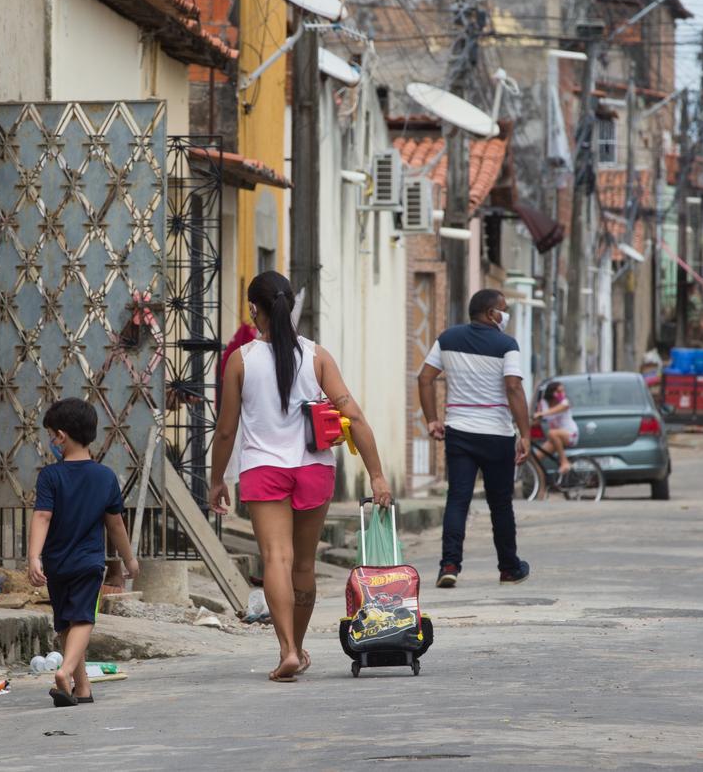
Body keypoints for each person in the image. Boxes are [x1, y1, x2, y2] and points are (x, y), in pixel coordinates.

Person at [208, 271, 392, 683]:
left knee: (276, 558)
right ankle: (298, 645)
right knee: (304, 564)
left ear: (254, 308)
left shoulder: (240, 359)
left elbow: (225, 430)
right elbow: (354, 415)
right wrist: (376, 475)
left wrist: (217, 478)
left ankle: (288, 648)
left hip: (263, 469)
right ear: (290, 305)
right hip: (314, 469)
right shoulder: (317, 355)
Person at [27, 398, 140, 708]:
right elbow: (115, 524)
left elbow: (42, 517)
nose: (51, 441)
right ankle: (65, 672)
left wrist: (34, 556)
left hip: (56, 563)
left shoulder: (50, 476)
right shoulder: (105, 477)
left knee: (65, 623)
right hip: (88, 562)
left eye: (51, 434)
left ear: (61, 436)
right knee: (83, 620)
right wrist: (129, 559)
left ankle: (82, 688)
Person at [418, 288, 532, 589]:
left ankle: (449, 564)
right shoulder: (507, 344)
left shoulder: (447, 339)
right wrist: (526, 433)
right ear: (491, 313)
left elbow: (424, 377)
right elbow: (513, 388)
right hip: (496, 435)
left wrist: (432, 420)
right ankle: (509, 568)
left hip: (460, 433)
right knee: (500, 504)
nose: (505, 314)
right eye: (503, 309)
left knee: (458, 500)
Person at [533, 381, 579, 493]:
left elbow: (557, 410)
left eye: (563, 391)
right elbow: (536, 421)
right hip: (555, 438)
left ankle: (564, 462)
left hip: (570, 434)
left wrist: (542, 414)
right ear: (551, 392)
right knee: (536, 459)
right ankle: (541, 488)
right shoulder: (543, 403)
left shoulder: (565, 402)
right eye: (559, 391)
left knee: (552, 432)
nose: (562, 393)